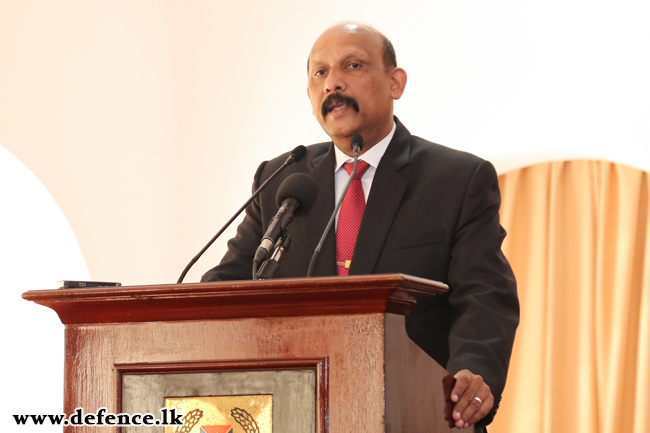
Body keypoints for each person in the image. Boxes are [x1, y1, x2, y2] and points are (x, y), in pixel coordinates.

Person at [202, 23, 519, 431]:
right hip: (295, 412)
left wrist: (473, 371)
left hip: (414, 412)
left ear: (395, 82)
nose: (332, 83)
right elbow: (228, 283)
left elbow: (485, 294)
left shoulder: (456, 179)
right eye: (319, 73)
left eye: (352, 65)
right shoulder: (283, 180)